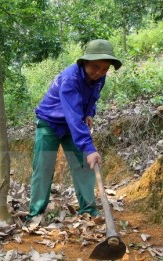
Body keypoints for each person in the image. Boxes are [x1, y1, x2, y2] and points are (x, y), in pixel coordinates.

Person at [27, 39, 122, 220]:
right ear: (85, 61)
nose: (99, 72)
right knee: (44, 166)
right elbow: (72, 115)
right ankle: (36, 213)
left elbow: (92, 98)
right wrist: (90, 147)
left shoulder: (99, 79)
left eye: (105, 69)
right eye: (95, 67)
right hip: (50, 123)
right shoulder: (71, 78)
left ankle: (87, 210)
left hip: (75, 122)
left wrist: (89, 113)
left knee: (85, 164)